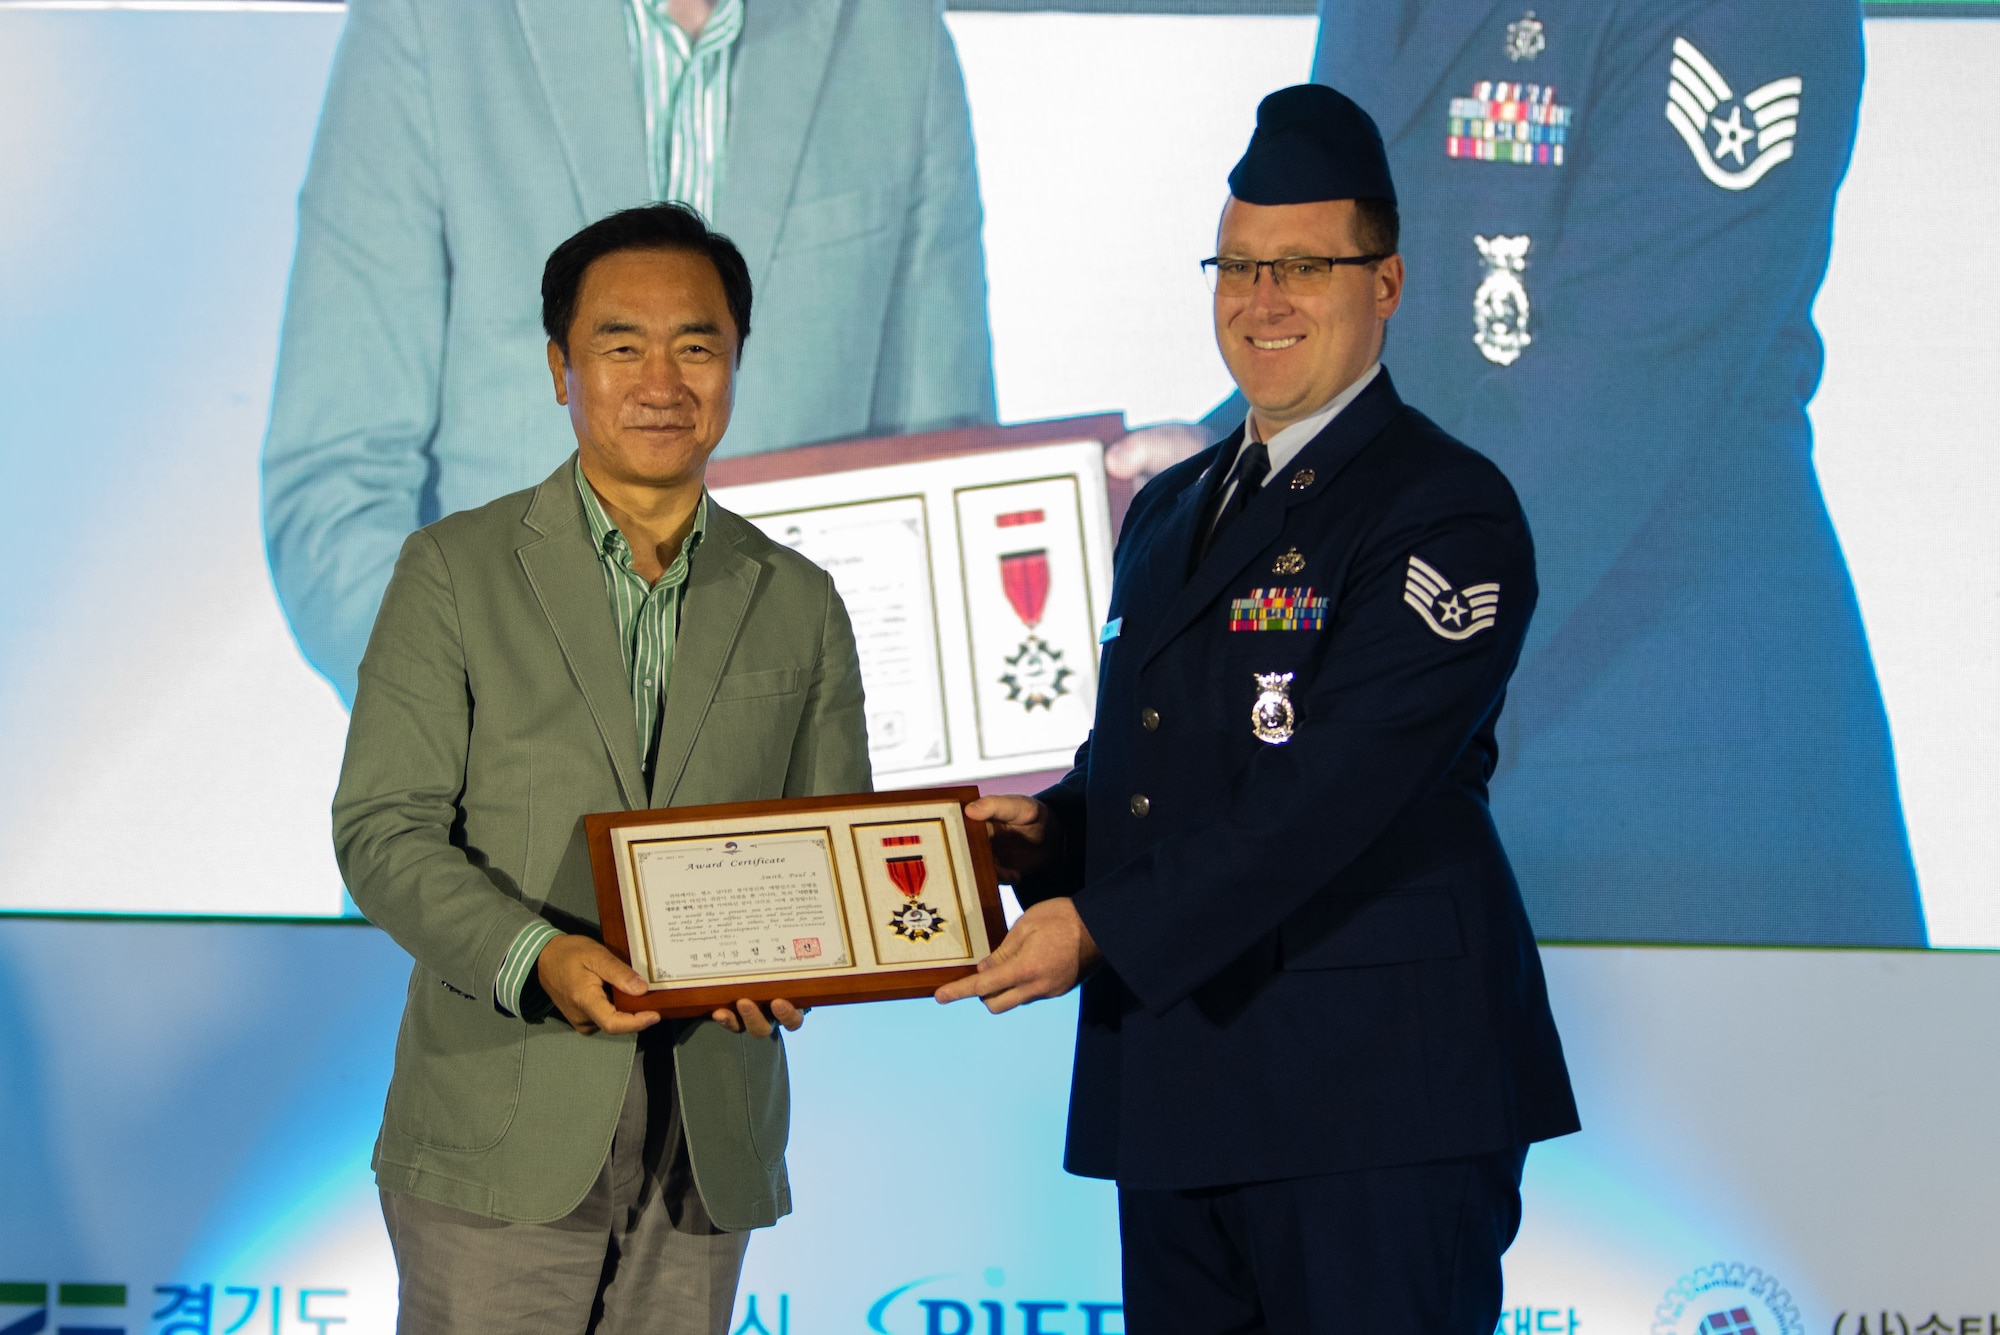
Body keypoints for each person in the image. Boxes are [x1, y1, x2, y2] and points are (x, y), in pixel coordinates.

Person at [939, 87, 1578, 1334]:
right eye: (1235, 266)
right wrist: (1048, 835)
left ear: (1384, 283)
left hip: (1373, 1099)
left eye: (1301, 266)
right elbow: (1157, 763)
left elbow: (1335, 790)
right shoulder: (1171, 508)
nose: (1260, 298)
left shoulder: (1444, 506)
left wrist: (1102, 925)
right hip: (1181, 1084)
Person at [332, 203, 869, 1334]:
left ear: (733, 365)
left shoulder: (800, 601)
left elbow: (835, 846)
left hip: (707, 1134)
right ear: (559, 369)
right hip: (500, 1117)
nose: (661, 380)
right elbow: (383, 830)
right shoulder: (452, 569)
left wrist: (809, 959)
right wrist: (539, 956)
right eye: (621, 345)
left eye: (697, 345)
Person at [265, 0, 996, 706]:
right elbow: (335, 493)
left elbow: (943, 493)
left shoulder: (896, 30)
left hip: (798, 788)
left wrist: (1089, 528)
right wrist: (482, 734)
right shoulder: (427, 25)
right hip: (517, 801)